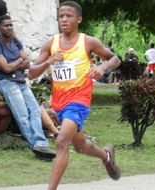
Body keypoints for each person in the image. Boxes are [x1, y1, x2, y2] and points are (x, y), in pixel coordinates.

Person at [28, 1, 121, 189]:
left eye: (68, 16)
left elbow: (115, 59)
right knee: (80, 147)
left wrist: (102, 67)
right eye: (61, 16)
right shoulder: (51, 44)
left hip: (79, 100)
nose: (64, 19)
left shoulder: (88, 42)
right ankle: (106, 155)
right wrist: (48, 62)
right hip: (59, 103)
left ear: (78, 19)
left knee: (62, 141)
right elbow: (31, 73)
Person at [0, 15, 56, 160]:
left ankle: (41, 142)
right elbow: (6, 68)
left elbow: (27, 62)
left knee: (35, 109)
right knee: (23, 114)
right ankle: (36, 145)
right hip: (5, 81)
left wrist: (16, 63)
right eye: (6, 25)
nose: (9, 28)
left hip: (19, 80)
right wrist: (19, 61)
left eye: (10, 25)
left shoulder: (16, 42)